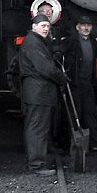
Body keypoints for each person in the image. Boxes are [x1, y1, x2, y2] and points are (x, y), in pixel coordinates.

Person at [18, 13, 69, 176]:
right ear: (34, 27)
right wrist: (62, 78)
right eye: (43, 26)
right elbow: (45, 68)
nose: (46, 29)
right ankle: (36, 165)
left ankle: (37, 161)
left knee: (37, 126)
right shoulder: (33, 43)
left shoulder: (36, 42)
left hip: (38, 91)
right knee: (37, 128)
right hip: (38, 91)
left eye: (48, 26)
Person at [60, 15, 97, 151]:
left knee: (90, 113)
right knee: (76, 113)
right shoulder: (71, 40)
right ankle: (74, 144)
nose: (86, 28)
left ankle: (95, 142)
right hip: (75, 82)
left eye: (88, 25)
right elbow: (60, 50)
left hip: (88, 83)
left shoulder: (91, 40)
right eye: (83, 25)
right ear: (77, 27)